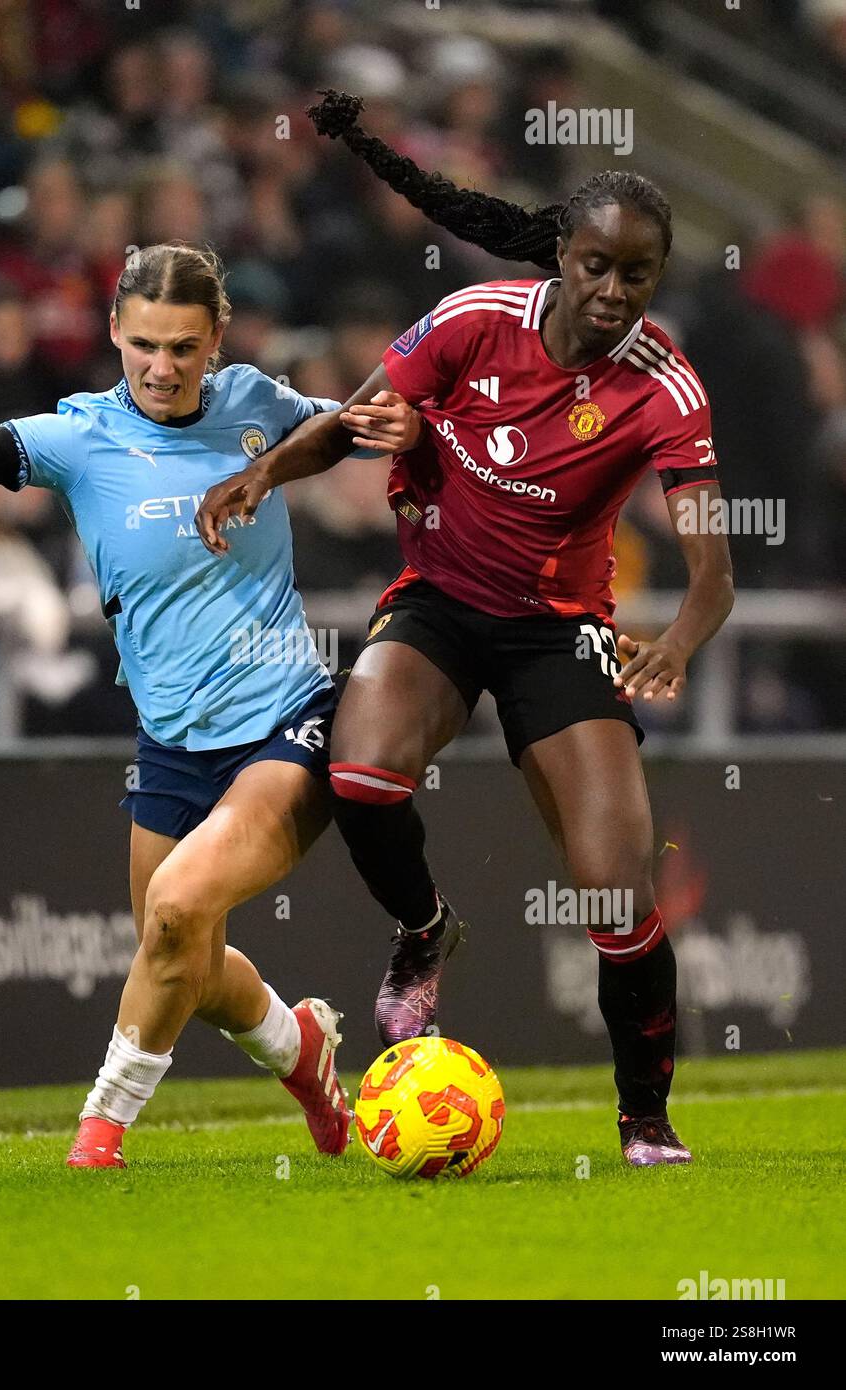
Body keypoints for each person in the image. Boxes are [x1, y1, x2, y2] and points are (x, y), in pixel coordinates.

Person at [0, 241, 422, 1167]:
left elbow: (360, 428)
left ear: (216, 338)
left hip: (285, 720)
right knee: (182, 952)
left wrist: (413, 425)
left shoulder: (262, 406)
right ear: (112, 333)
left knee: (177, 909)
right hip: (171, 745)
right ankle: (302, 1052)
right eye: (143, 344)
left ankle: (98, 1134)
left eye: (183, 347)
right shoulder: (77, 438)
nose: (161, 367)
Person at [195, 95, 735, 1168]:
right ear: (562, 258)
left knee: (616, 896)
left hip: (558, 630)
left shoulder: (663, 385)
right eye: (594, 266)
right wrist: (262, 471)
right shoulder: (472, 321)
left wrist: (676, 640)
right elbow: (352, 419)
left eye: (635, 276)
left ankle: (644, 1119)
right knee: (361, 772)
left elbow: (713, 563)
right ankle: (425, 930)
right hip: (439, 602)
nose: (612, 292)